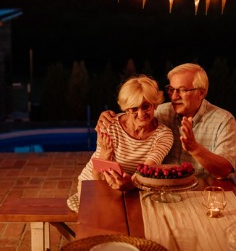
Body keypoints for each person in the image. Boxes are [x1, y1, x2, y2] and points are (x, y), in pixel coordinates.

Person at [98, 63, 236, 179]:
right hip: (165, 189)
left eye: (182, 90)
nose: (174, 96)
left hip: (204, 189)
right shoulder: (160, 111)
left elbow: (224, 170)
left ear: (201, 93)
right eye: (171, 89)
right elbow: (136, 109)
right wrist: (106, 116)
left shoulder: (223, 120)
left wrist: (195, 148)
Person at [67, 75, 173, 212]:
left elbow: (146, 172)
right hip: (92, 184)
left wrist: (131, 185)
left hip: (131, 186)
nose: (141, 114)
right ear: (126, 109)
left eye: (146, 106)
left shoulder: (164, 135)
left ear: (154, 104)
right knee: (110, 215)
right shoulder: (109, 125)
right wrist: (106, 153)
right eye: (134, 109)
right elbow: (97, 177)